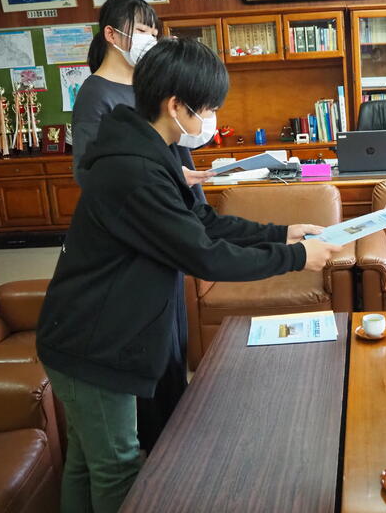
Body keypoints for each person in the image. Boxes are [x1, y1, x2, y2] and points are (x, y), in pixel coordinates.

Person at [37, 37, 342, 512]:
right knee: (116, 466)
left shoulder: (152, 150)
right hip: (91, 343)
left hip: (93, 330)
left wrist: (283, 233)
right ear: (176, 105)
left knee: (86, 461)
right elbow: (204, 256)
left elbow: (203, 222)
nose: (211, 119)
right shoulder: (134, 170)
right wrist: (297, 258)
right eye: (208, 109)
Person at [71, 0, 212, 452]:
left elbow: (166, 151)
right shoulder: (96, 93)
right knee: (151, 340)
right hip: (138, 229)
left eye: (155, 30)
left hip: (170, 215)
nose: (152, 37)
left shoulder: (146, 86)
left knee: (174, 335)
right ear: (113, 35)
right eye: (144, 30)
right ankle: (158, 447)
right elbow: (91, 173)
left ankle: (174, 433)